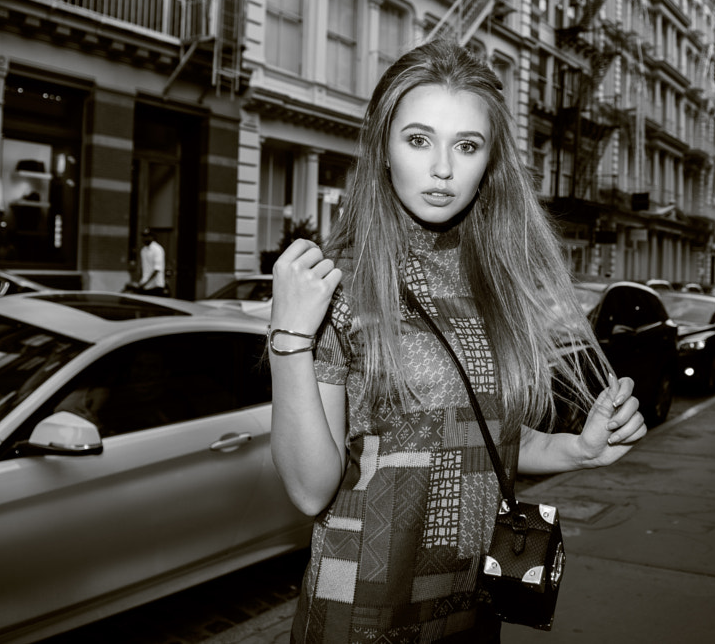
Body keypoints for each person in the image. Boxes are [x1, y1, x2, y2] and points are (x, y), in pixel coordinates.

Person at [268, 40, 647, 644]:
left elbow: (482, 435)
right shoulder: (337, 285)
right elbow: (310, 488)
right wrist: (288, 335)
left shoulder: (494, 279)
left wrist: (579, 449)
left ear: (488, 163)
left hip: (474, 608)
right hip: (363, 611)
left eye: (465, 146)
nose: (442, 168)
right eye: (418, 140)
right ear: (383, 150)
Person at [138, 228, 167, 296]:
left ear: (152, 237)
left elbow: (157, 269)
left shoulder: (157, 249)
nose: (145, 238)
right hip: (145, 286)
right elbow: (143, 268)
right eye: (144, 236)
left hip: (156, 286)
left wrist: (145, 282)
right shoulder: (143, 250)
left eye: (147, 236)